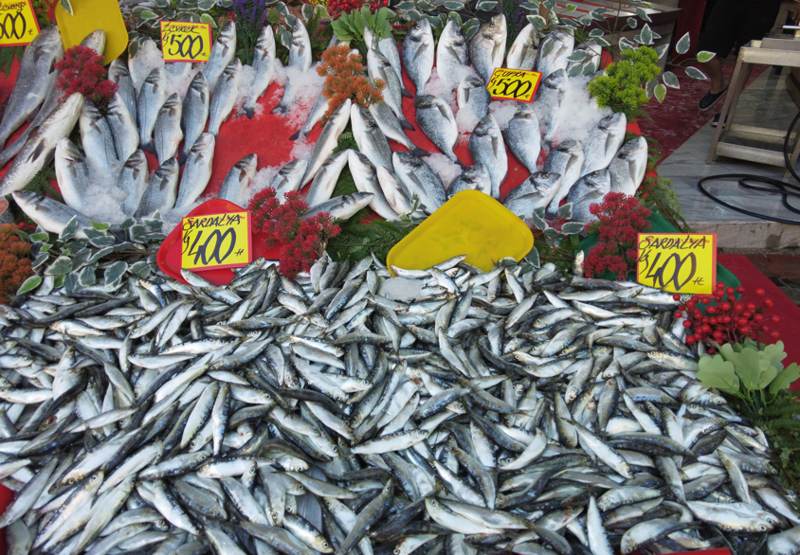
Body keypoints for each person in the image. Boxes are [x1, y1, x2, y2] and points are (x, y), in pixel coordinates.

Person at [697, 0, 800, 111]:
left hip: (764, 5)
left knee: (745, 55)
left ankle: (728, 107)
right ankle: (718, 86)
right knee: (705, 53)